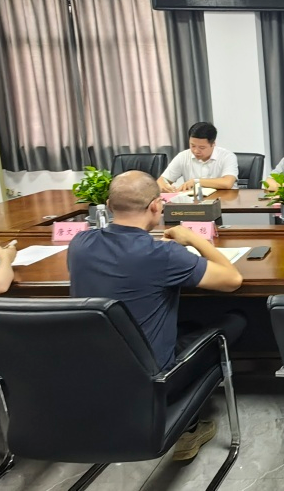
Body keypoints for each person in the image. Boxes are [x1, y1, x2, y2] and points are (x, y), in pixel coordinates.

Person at [68, 171, 245, 461]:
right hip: (153, 378)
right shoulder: (162, 254)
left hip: (94, 371)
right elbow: (232, 279)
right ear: (155, 206)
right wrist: (193, 238)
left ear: (109, 206)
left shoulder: (80, 244)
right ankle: (189, 430)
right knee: (236, 320)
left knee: (188, 324)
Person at [158, 121, 239, 192]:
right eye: (193, 146)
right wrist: (165, 187)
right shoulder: (183, 156)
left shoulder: (227, 156)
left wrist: (196, 182)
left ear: (213, 144)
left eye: (202, 147)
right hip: (194, 201)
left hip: (224, 201)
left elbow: (227, 183)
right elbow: (161, 181)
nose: (196, 151)